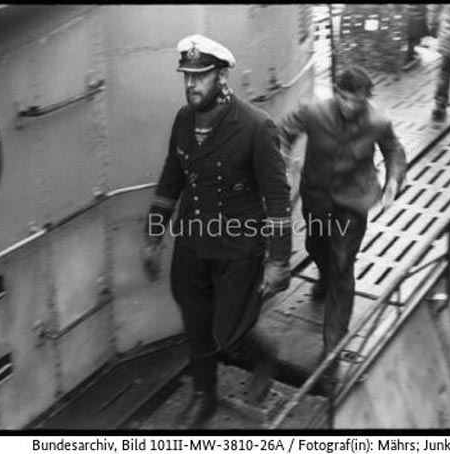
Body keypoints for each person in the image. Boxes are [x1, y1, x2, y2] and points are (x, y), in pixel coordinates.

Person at [141, 34, 292, 429]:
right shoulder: (183, 120)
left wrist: (278, 261)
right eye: (187, 76)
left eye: (201, 75)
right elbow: (171, 179)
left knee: (229, 333)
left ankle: (263, 355)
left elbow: (277, 198)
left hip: (238, 248)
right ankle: (203, 396)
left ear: (222, 76)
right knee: (195, 323)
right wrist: (153, 236)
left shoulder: (257, 127)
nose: (192, 84)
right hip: (192, 244)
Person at [277, 65, 407, 389]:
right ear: (337, 92)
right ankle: (322, 275)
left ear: (367, 99)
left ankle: (332, 348)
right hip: (317, 198)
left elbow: (394, 150)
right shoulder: (314, 111)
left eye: (358, 101)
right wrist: (280, 158)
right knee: (316, 248)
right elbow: (284, 131)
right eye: (346, 98)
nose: (351, 106)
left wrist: (393, 180)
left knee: (342, 265)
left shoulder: (378, 121)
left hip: (353, 201)